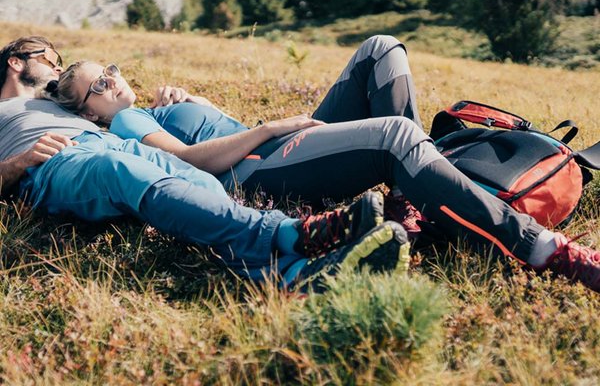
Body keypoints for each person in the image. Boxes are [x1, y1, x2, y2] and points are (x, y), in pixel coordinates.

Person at [45, 39, 600, 294]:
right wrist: (267, 128)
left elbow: (203, 128)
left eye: (110, 70)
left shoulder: (153, 105)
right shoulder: (122, 124)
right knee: (398, 134)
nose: (112, 81)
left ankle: (413, 203)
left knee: (382, 50)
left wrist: (187, 102)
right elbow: (190, 162)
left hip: (279, 149)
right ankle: (544, 250)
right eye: (97, 85)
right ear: (85, 110)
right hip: (256, 171)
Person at [0, 36, 410, 290]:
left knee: (196, 181)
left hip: (107, 144)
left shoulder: (65, 103)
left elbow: (115, 112)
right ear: (16, 61)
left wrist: (169, 109)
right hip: (57, 158)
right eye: (48, 56)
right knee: (120, 174)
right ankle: (290, 235)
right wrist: (17, 164)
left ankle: (289, 273)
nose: (57, 63)